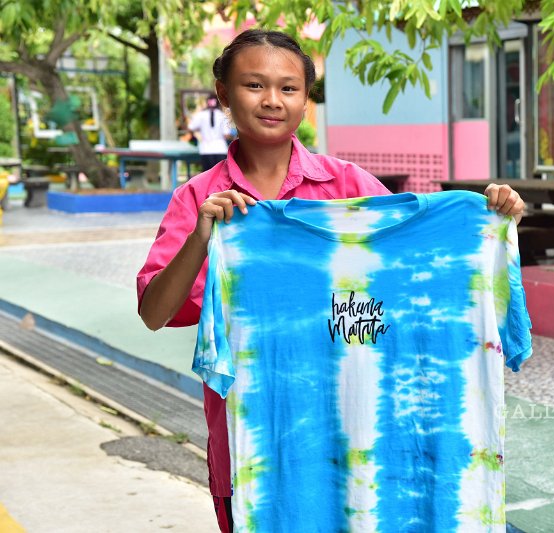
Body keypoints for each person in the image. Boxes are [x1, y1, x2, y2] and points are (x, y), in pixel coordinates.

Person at [136, 29, 525, 532]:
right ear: (224, 93)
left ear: (306, 100)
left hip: (369, 446)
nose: (272, 100)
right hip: (258, 454)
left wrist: (487, 222)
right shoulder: (201, 200)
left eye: (289, 88)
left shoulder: (350, 188)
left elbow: (412, 261)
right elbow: (154, 313)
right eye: (254, 85)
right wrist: (201, 239)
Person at [189, 94, 232, 171]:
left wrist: (198, 132)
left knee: (208, 175)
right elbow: (226, 135)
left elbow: (191, 127)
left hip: (205, 150)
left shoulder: (201, 115)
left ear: (207, 103)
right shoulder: (222, 116)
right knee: (220, 175)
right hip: (220, 149)